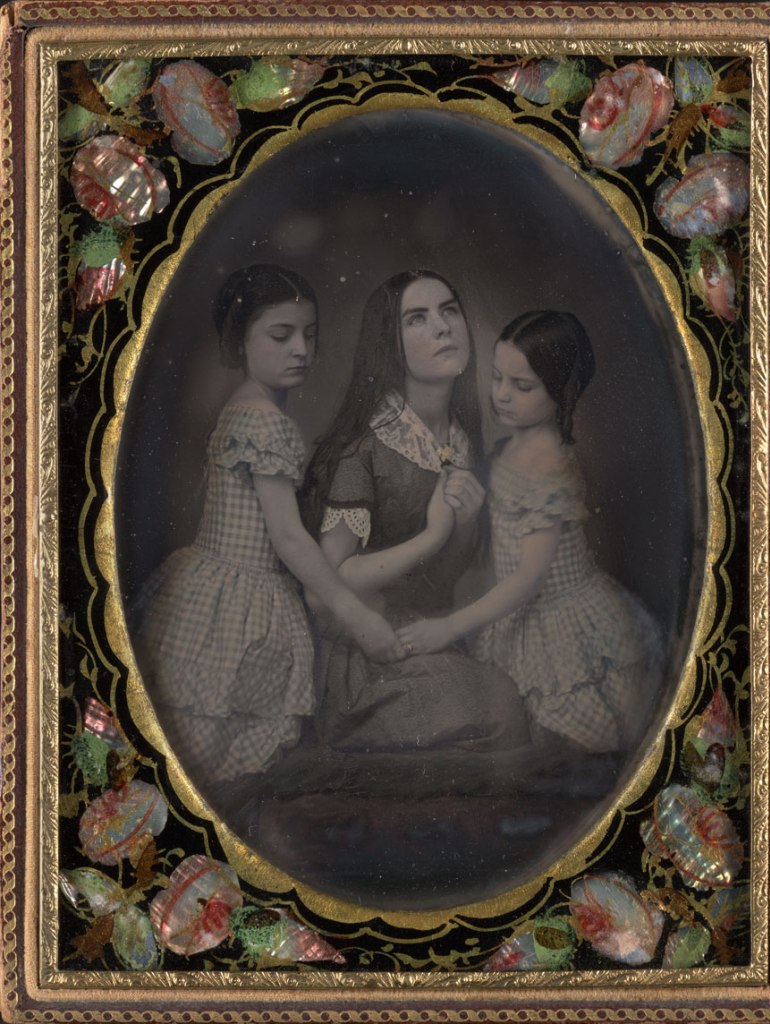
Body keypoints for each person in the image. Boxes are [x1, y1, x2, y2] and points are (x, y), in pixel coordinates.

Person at [135, 264, 402, 801]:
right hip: (241, 602)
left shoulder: (242, 408)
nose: (300, 349)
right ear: (241, 340)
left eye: (309, 334)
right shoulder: (265, 421)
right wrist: (356, 615)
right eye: (281, 336)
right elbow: (287, 537)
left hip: (208, 586)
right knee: (215, 761)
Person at [399, 310, 662, 754]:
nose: (501, 395)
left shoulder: (549, 467)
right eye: (498, 377)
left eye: (522, 387)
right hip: (517, 615)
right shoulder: (508, 446)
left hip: (562, 623)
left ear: (561, 392)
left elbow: (527, 578)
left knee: (563, 743)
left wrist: (448, 627)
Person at [302, 269, 531, 757]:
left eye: (449, 311)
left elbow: (443, 582)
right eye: (418, 319)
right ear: (391, 343)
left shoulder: (461, 440)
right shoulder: (364, 447)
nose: (444, 327)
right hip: (365, 656)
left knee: (513, 707)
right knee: (489, 717)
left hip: (426, 638)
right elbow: (325, 589)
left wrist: (466, 527)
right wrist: (431, 536)